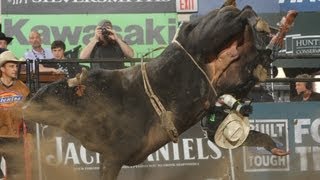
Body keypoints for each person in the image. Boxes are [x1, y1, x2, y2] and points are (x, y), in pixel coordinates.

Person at [201, 94, 289, 156]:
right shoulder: (233, 134)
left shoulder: (233, 133)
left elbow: (222, 99)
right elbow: (222, 98)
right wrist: (240, 108)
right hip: (216, 127)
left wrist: (273, 148)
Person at [0, 51, 33, 179]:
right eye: (11, 66)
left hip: (15, 136)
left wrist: (30, 133)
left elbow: (29, 112)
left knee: (15, 173)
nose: (15, 69)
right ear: (2, 68)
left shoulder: (23, 88)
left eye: (16, 66)